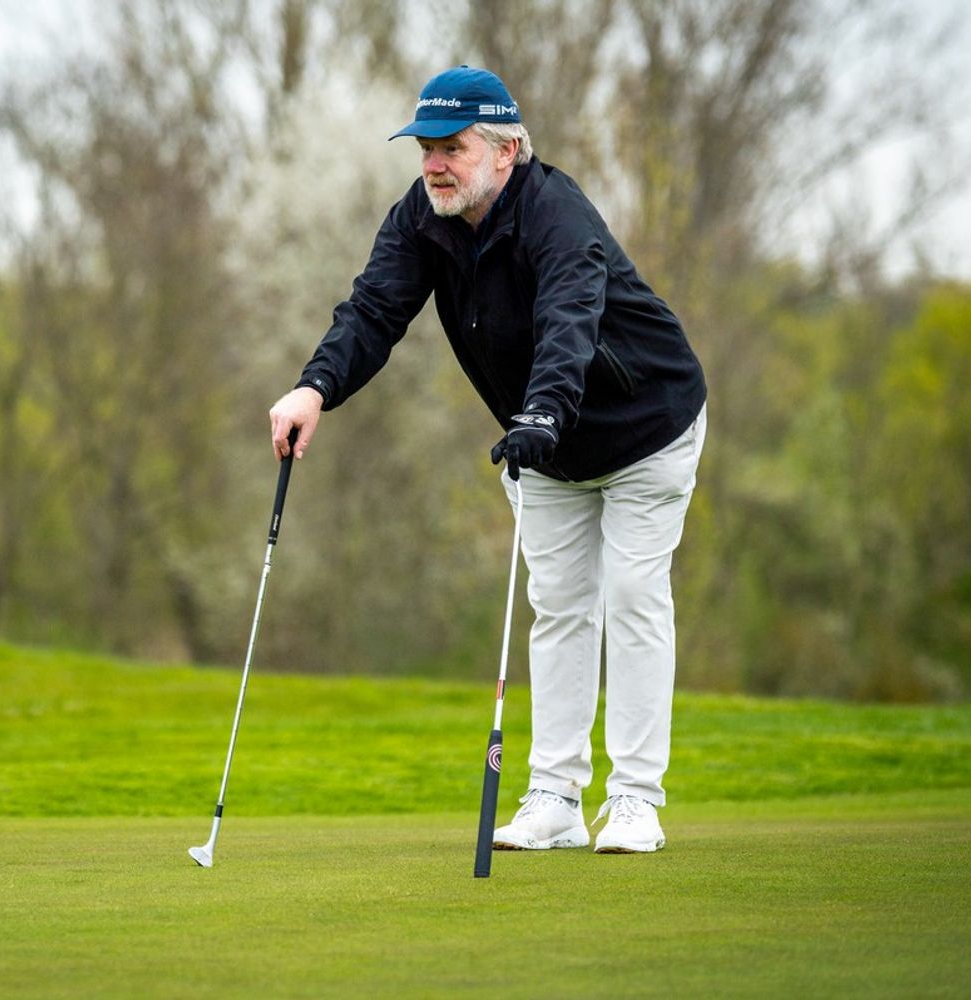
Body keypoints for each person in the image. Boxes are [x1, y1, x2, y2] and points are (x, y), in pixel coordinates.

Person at [268, 66, 707, 854]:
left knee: (633, 596)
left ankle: (635, 800)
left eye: (453, 148)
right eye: (426, 148)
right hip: (543, 444)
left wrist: (542, 411)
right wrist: (314, 388)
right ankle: (556, 798)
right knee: (560, 605)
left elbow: (570, 318)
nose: (434, 164)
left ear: (506, 151)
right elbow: (373, 309)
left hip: (646, 426)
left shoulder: (557, 215)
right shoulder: (423, 217)